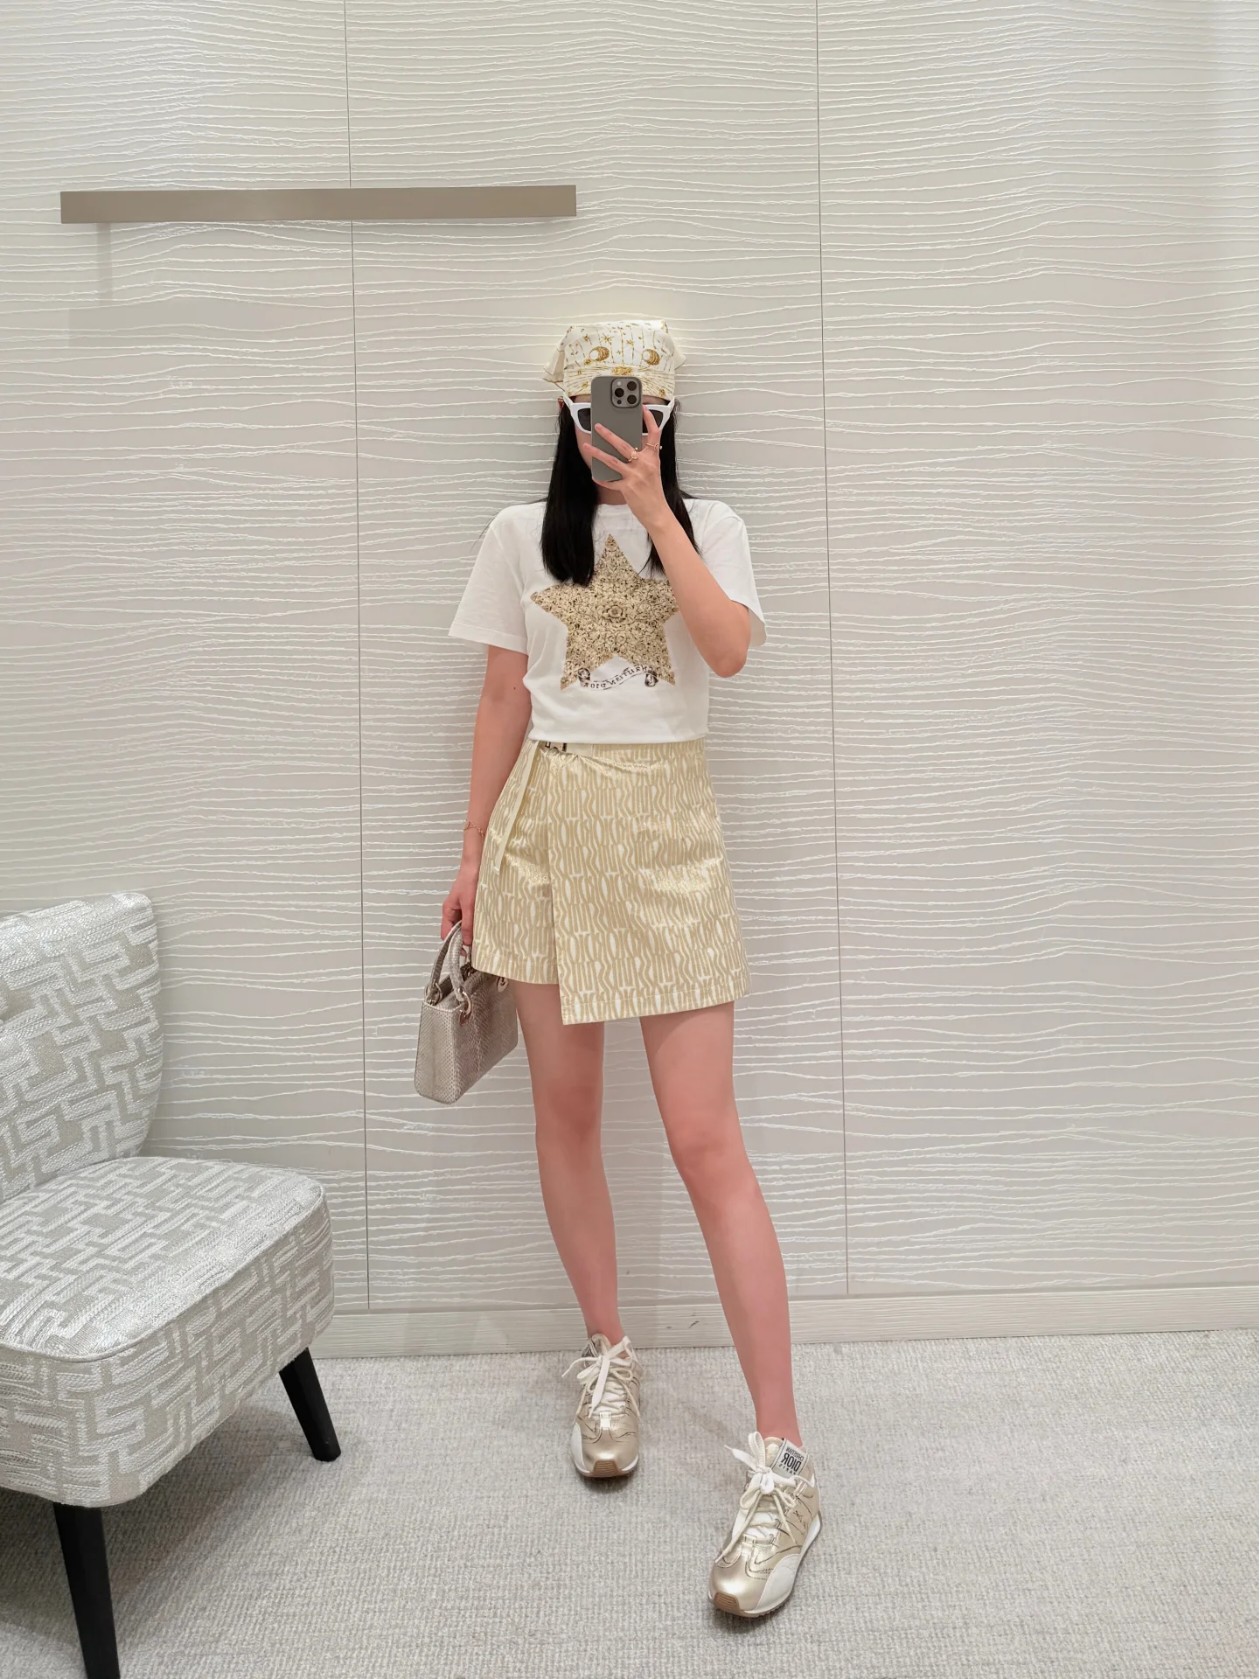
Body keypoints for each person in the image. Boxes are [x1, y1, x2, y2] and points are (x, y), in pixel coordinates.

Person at [443, 318, 821, 1618]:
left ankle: (783, 1459)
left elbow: (729, 651)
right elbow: (502, 699)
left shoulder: (709, 525)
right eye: (602, 405)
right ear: (566, 410)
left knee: (707, 1140)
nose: (622, 421)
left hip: (666, 833)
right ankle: (608, 1356)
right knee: (566, 1113)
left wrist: (656, 508)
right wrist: (469, 853)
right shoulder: (518, 535)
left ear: (667, 413)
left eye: (644, 405)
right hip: (543, 831)